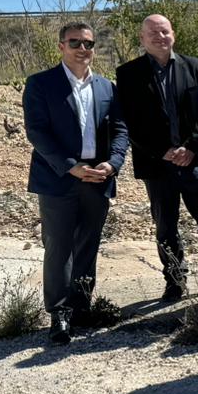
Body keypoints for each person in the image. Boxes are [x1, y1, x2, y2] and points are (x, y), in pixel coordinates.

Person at [23, 21, 130, 345]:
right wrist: (71, 168)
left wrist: (112, 164)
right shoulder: (41, 84)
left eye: (88, 43)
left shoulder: (106, 87)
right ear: (61, 47)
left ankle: (82, 306)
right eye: (75, 43)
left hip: (97, 179)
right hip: (59, 179)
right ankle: (59, 314)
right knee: (59, 246)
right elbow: (37, 132)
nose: (83, 49)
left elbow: (122, 130)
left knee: (88, 244)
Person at [115, 13, 198, 302]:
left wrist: (191, 148)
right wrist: (162, 151)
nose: (160, 37)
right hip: (156, 164)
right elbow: (130, 123)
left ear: (173, 34)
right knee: (166, 225)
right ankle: (175, 280)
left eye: (164, 32)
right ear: (142, 38)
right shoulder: (128, 74)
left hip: (195, 161)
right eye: (153, 33)